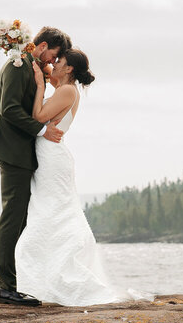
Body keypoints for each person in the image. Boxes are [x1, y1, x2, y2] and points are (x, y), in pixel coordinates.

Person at [13, 48, 150, 306]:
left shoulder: (67, 90)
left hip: (52, 157)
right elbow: (46, 73)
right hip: (49, 154)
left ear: (69, 69)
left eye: (59, 62)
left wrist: (41, 84)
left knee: (52, 212)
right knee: (50, 210)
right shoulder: (63, 86)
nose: (54, 65)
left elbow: (38, 117)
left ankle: (56, 273)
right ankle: (48, 274)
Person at [0, 25, 70, 306]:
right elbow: (9, 109)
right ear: (42, 46)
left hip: (18, 151)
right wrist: (42, 131)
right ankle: (6, 287)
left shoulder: (28, 65)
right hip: (13, 151)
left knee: (19, 218)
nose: (53, 63)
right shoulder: (18, 65)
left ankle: (12, 283)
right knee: (12, 217)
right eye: (54, 56)